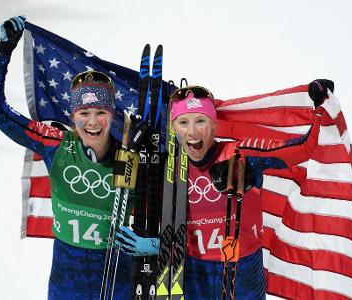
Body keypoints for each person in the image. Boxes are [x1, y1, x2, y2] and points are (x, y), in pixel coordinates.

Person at [116, 79, 334, 299]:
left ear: (214, 125)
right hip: (192, 272)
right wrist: (133, 154)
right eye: (183, 122)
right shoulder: (166, 168)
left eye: (200, 121)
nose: (192, 132)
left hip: (242, 272)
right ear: (173, 129)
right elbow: (132, 200)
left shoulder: (240, 156)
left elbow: (304, 148)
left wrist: (320, 106)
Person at [0, 16, 133, 299]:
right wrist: (4, 51)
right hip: (66, 283)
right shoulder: (56, 145)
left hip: (118, 283)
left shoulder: (135, 155)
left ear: (112, 116)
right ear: (73, 117)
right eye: (83, 114)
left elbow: (185, 180)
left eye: (101, 112)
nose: (93, 122)